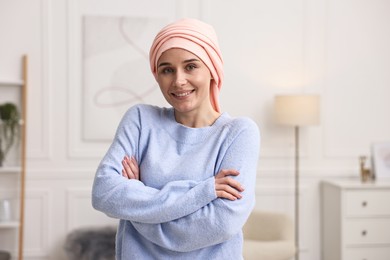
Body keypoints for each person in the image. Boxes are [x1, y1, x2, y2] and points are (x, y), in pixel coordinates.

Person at [92, 18, 260, 260]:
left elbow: (222, 224)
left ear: (212, 69)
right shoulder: (140, 120)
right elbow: (103, 194)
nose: (179, 80)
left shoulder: (239, 133)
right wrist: (203, 192)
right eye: (167, 69)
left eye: (190, 66)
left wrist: (137, 202)